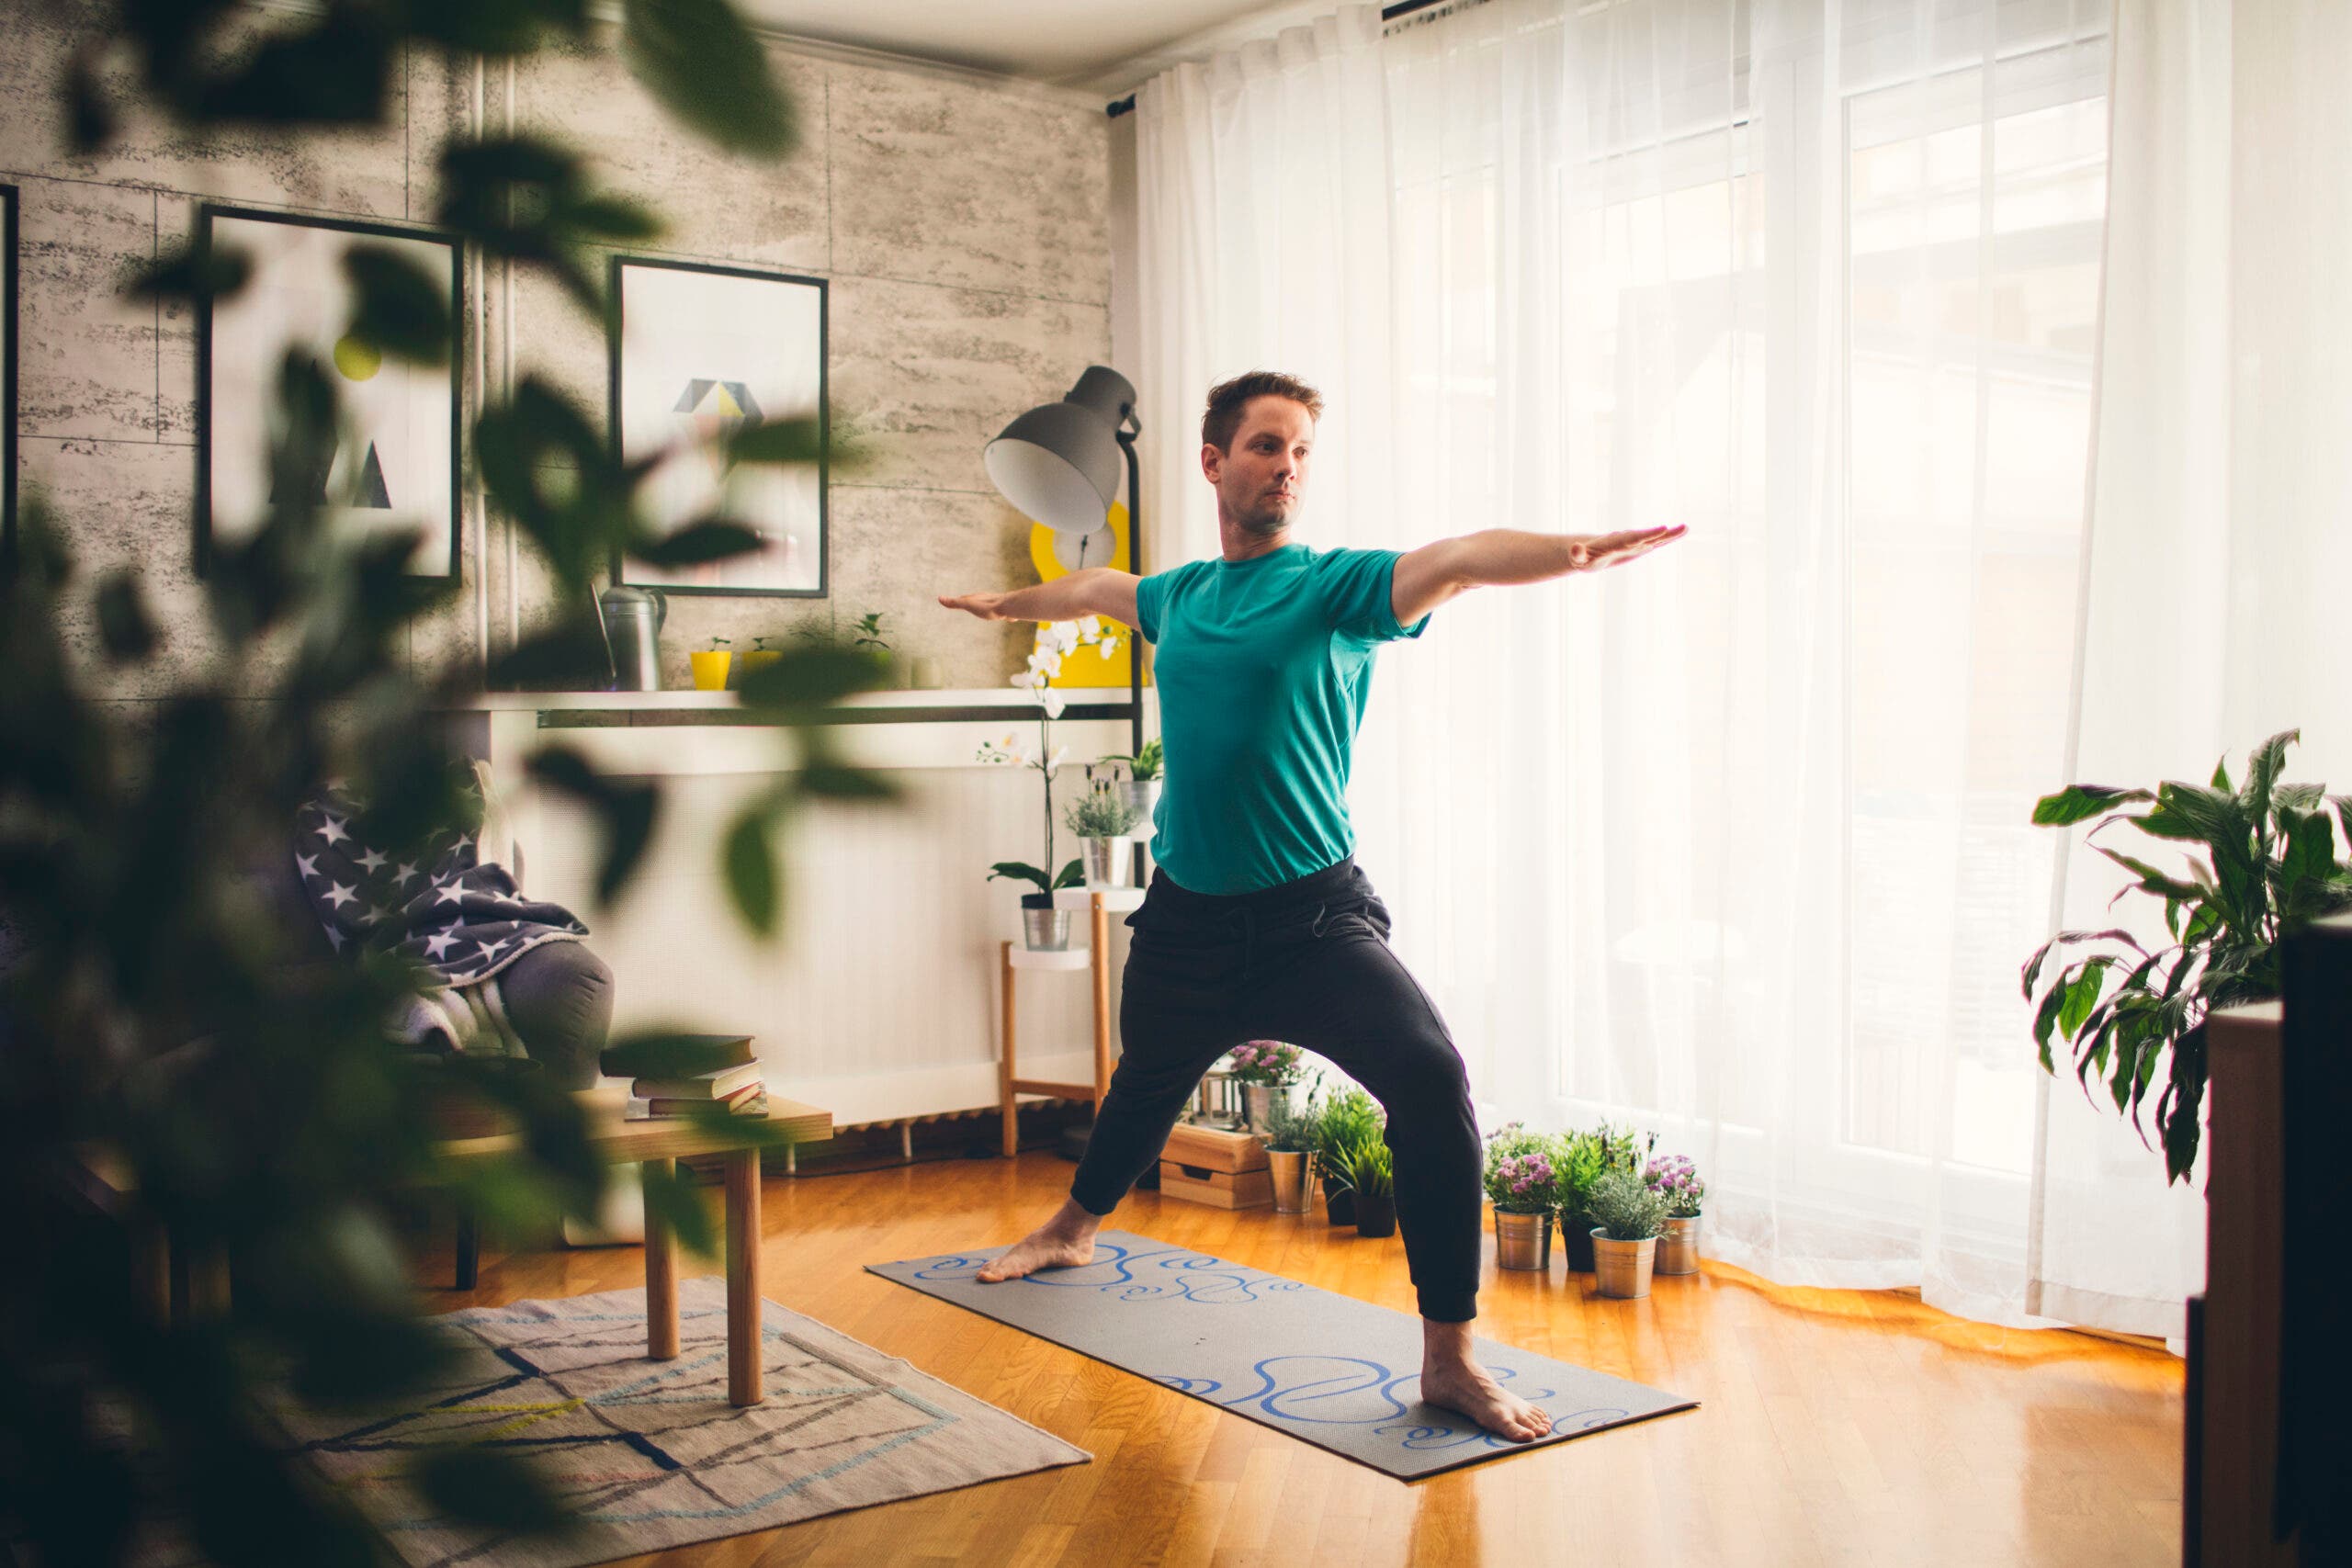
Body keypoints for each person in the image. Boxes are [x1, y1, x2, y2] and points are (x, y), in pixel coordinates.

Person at [938, 370, 1683, 1441]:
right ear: (1213, 462)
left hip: (1312, 922)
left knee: (1430, 1083)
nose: (1285, 468)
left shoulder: (1336, 588)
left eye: (1298, 453)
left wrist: (1568, 554)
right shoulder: (1178, 596)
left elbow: (1464, 558)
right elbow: (1098, 587)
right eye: (1264, 447)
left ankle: (1448, 1359)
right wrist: (1012, 604)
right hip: (1187, 918)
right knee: (1146, 1080)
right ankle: (1070, 1225)